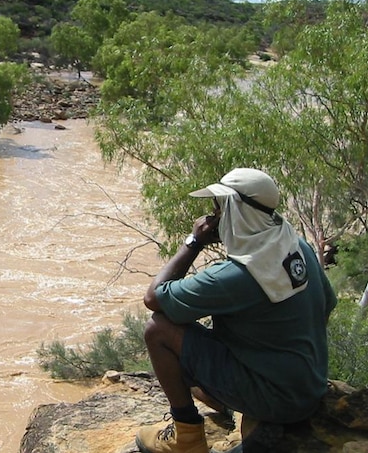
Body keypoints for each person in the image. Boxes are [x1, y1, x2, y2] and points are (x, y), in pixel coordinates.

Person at [134, 168, 337, 453]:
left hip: (278, 399)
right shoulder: (295, 244)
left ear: (236, 211)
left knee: (158, 330)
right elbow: (328, 302)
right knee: (203, 353)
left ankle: (187, 438)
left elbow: (154, 298)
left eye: (219, 208)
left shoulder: (238, 274)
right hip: (308, 385)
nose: (213, 216)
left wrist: (194, 242)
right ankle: (238, 405)